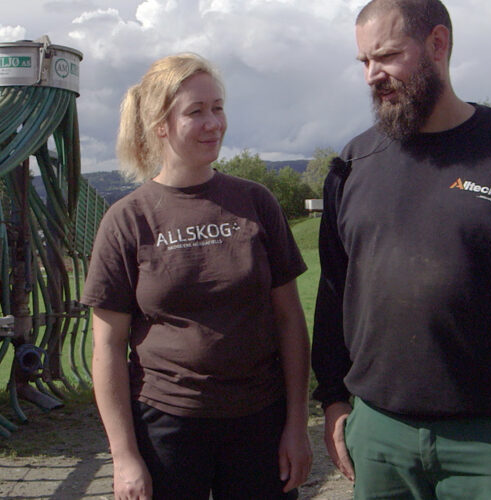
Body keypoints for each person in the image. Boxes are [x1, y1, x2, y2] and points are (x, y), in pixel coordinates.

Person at [311, 1, 491, 498]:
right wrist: (335, 399)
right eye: (364, 62)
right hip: (378, 436)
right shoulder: (354, 165)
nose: (373, 75)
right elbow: (334, 291)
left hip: (490, 442)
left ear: (438, 45)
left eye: (388, 56)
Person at [81, 53, 312, 500]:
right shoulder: (128, 219)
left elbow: (289, 319)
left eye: (218, 107)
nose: (214, 123)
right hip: (166, 425)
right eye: (196, 112)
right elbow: (107, 346)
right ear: (160, 124)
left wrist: (296, 424)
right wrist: (124, 456)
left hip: (259, 419)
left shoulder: (255, 202)